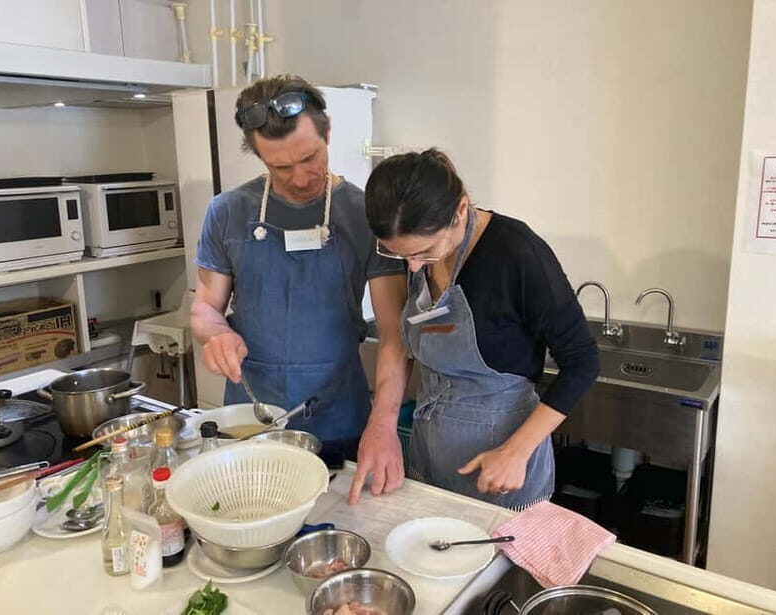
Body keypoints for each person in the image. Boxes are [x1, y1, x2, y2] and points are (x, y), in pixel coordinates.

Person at [351, 148, 599, 510]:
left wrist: (516, 452)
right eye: (401, 256)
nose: (414, 268)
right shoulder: (405, 242)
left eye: (425, 253)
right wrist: (382, 425)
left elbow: (583, 361)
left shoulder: (517, 253)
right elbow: (395, 341)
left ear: (461, 211)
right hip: (429, 454)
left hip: (502, 466)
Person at [191, 75, 410, 462]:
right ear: (260, 159)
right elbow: (206, 309)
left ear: (327, 134)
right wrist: (216, 336)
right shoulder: (227, 212)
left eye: (309, 158)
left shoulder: (365, 216)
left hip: (339, 417)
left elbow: (393, 334)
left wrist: (384, 423)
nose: (300, 177)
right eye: (280, 167)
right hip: (251, 420)